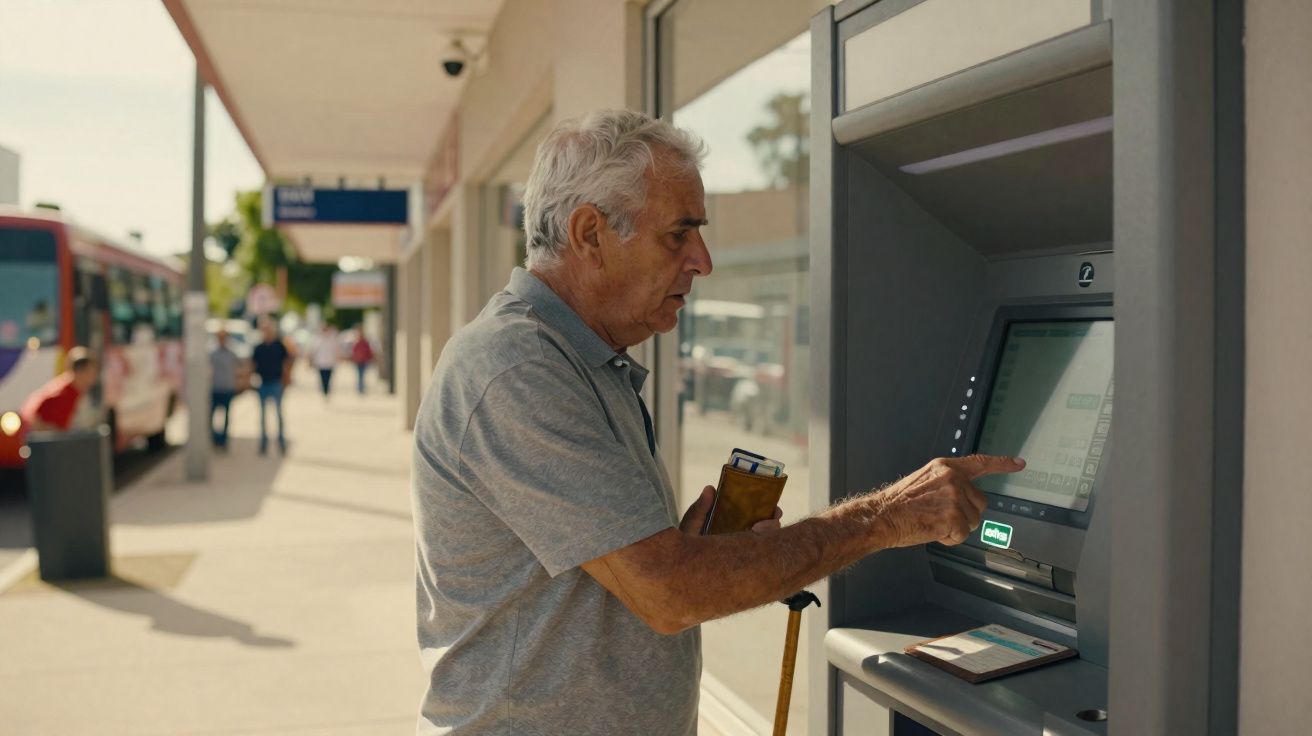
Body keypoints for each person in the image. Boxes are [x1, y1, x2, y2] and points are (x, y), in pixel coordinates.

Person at [410, 110, 1025, 735]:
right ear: (590, 234)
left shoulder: (582, 360)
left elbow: (628, 578)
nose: (702, 261)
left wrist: (689, 554)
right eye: (679, 234)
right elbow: (669, 595)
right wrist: (885, 517)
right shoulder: (517, 369)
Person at [21, 347, 98, 432]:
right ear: (80, 372)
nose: (93, 379)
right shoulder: (64, 394)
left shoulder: (70, 389)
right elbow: (31, 413)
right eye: (91, 373)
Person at [251, 317, 291, 455]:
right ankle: (263, 444)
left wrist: (286, 380)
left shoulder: (279, 346)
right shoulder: (258, 348)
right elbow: (253, 365)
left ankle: (281, 442)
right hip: (263, 383)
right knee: (263, 416)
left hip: (276, 382)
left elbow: (286, 364)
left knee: (278, 414)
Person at [209, 330, 239, 450]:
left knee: (226, 417)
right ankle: (215, 438)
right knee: (212, 417)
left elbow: (236, 370)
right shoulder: (213, 354)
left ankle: (224, 440)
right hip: (216, 388)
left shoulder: (231, 354)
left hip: (227, 389)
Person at [308, 324, 338, 400]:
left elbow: (336, 351)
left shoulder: (332, 339)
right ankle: (324, 391)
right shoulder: (318, 339)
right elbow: (313, 351)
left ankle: (327, 390)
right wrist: (310, 360)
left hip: (330, 363)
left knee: (328, 378)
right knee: (322, 379)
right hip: (320, 363)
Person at [349, 329, 374, 395]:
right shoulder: (356, 343)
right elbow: (353, 352)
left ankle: (361, 387)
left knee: (362, 374)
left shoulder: (365, 343)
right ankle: (360, 388)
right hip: (358, 361)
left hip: (364, 361)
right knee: (360, 374)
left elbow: (369, 351)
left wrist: (370, 358)